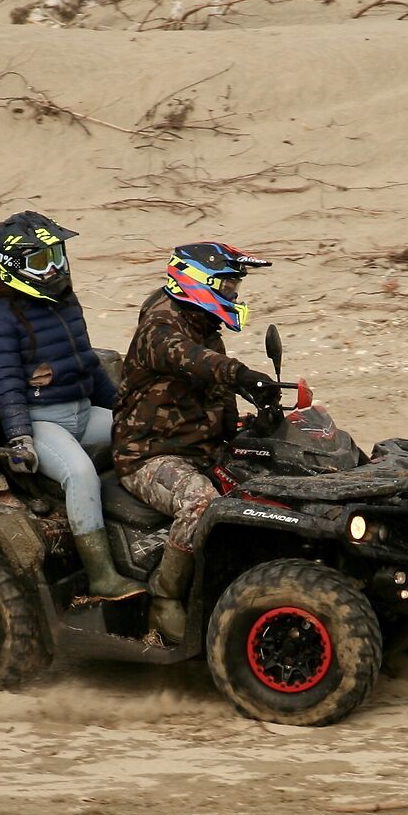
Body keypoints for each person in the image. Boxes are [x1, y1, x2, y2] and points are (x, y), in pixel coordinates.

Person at [0, 210, 144, 600]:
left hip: (83, 411)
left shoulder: (65, 300)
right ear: (14, 265)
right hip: (43, 423)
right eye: (40, 260)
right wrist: (21, 438)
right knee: (81, 474)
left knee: (148, 433)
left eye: (58, 255)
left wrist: (126, 408)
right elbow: (5, 383)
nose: (54, 268)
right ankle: (101, 576)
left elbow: (89, 364)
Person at [113, 241, 281, 640]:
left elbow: (211, 386)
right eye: (227, 287)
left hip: (199, 446)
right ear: (199, 283)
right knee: (200, 503)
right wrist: (242, 375)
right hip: (149, 454)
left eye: (234, 288)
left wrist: (254, 416)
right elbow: (189, 359)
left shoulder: (202, 323)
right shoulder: (160, 327)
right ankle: (165, 599)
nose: (233, 295)